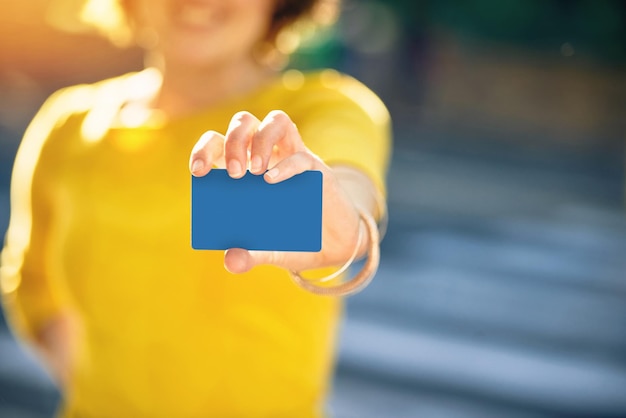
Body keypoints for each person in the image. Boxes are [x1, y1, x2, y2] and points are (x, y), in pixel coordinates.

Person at [0, 0, 391, 416]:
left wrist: (344, 225)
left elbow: (347, 183)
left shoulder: (323, 110)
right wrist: (104, 390)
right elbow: (31, 283)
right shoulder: (68, 126)